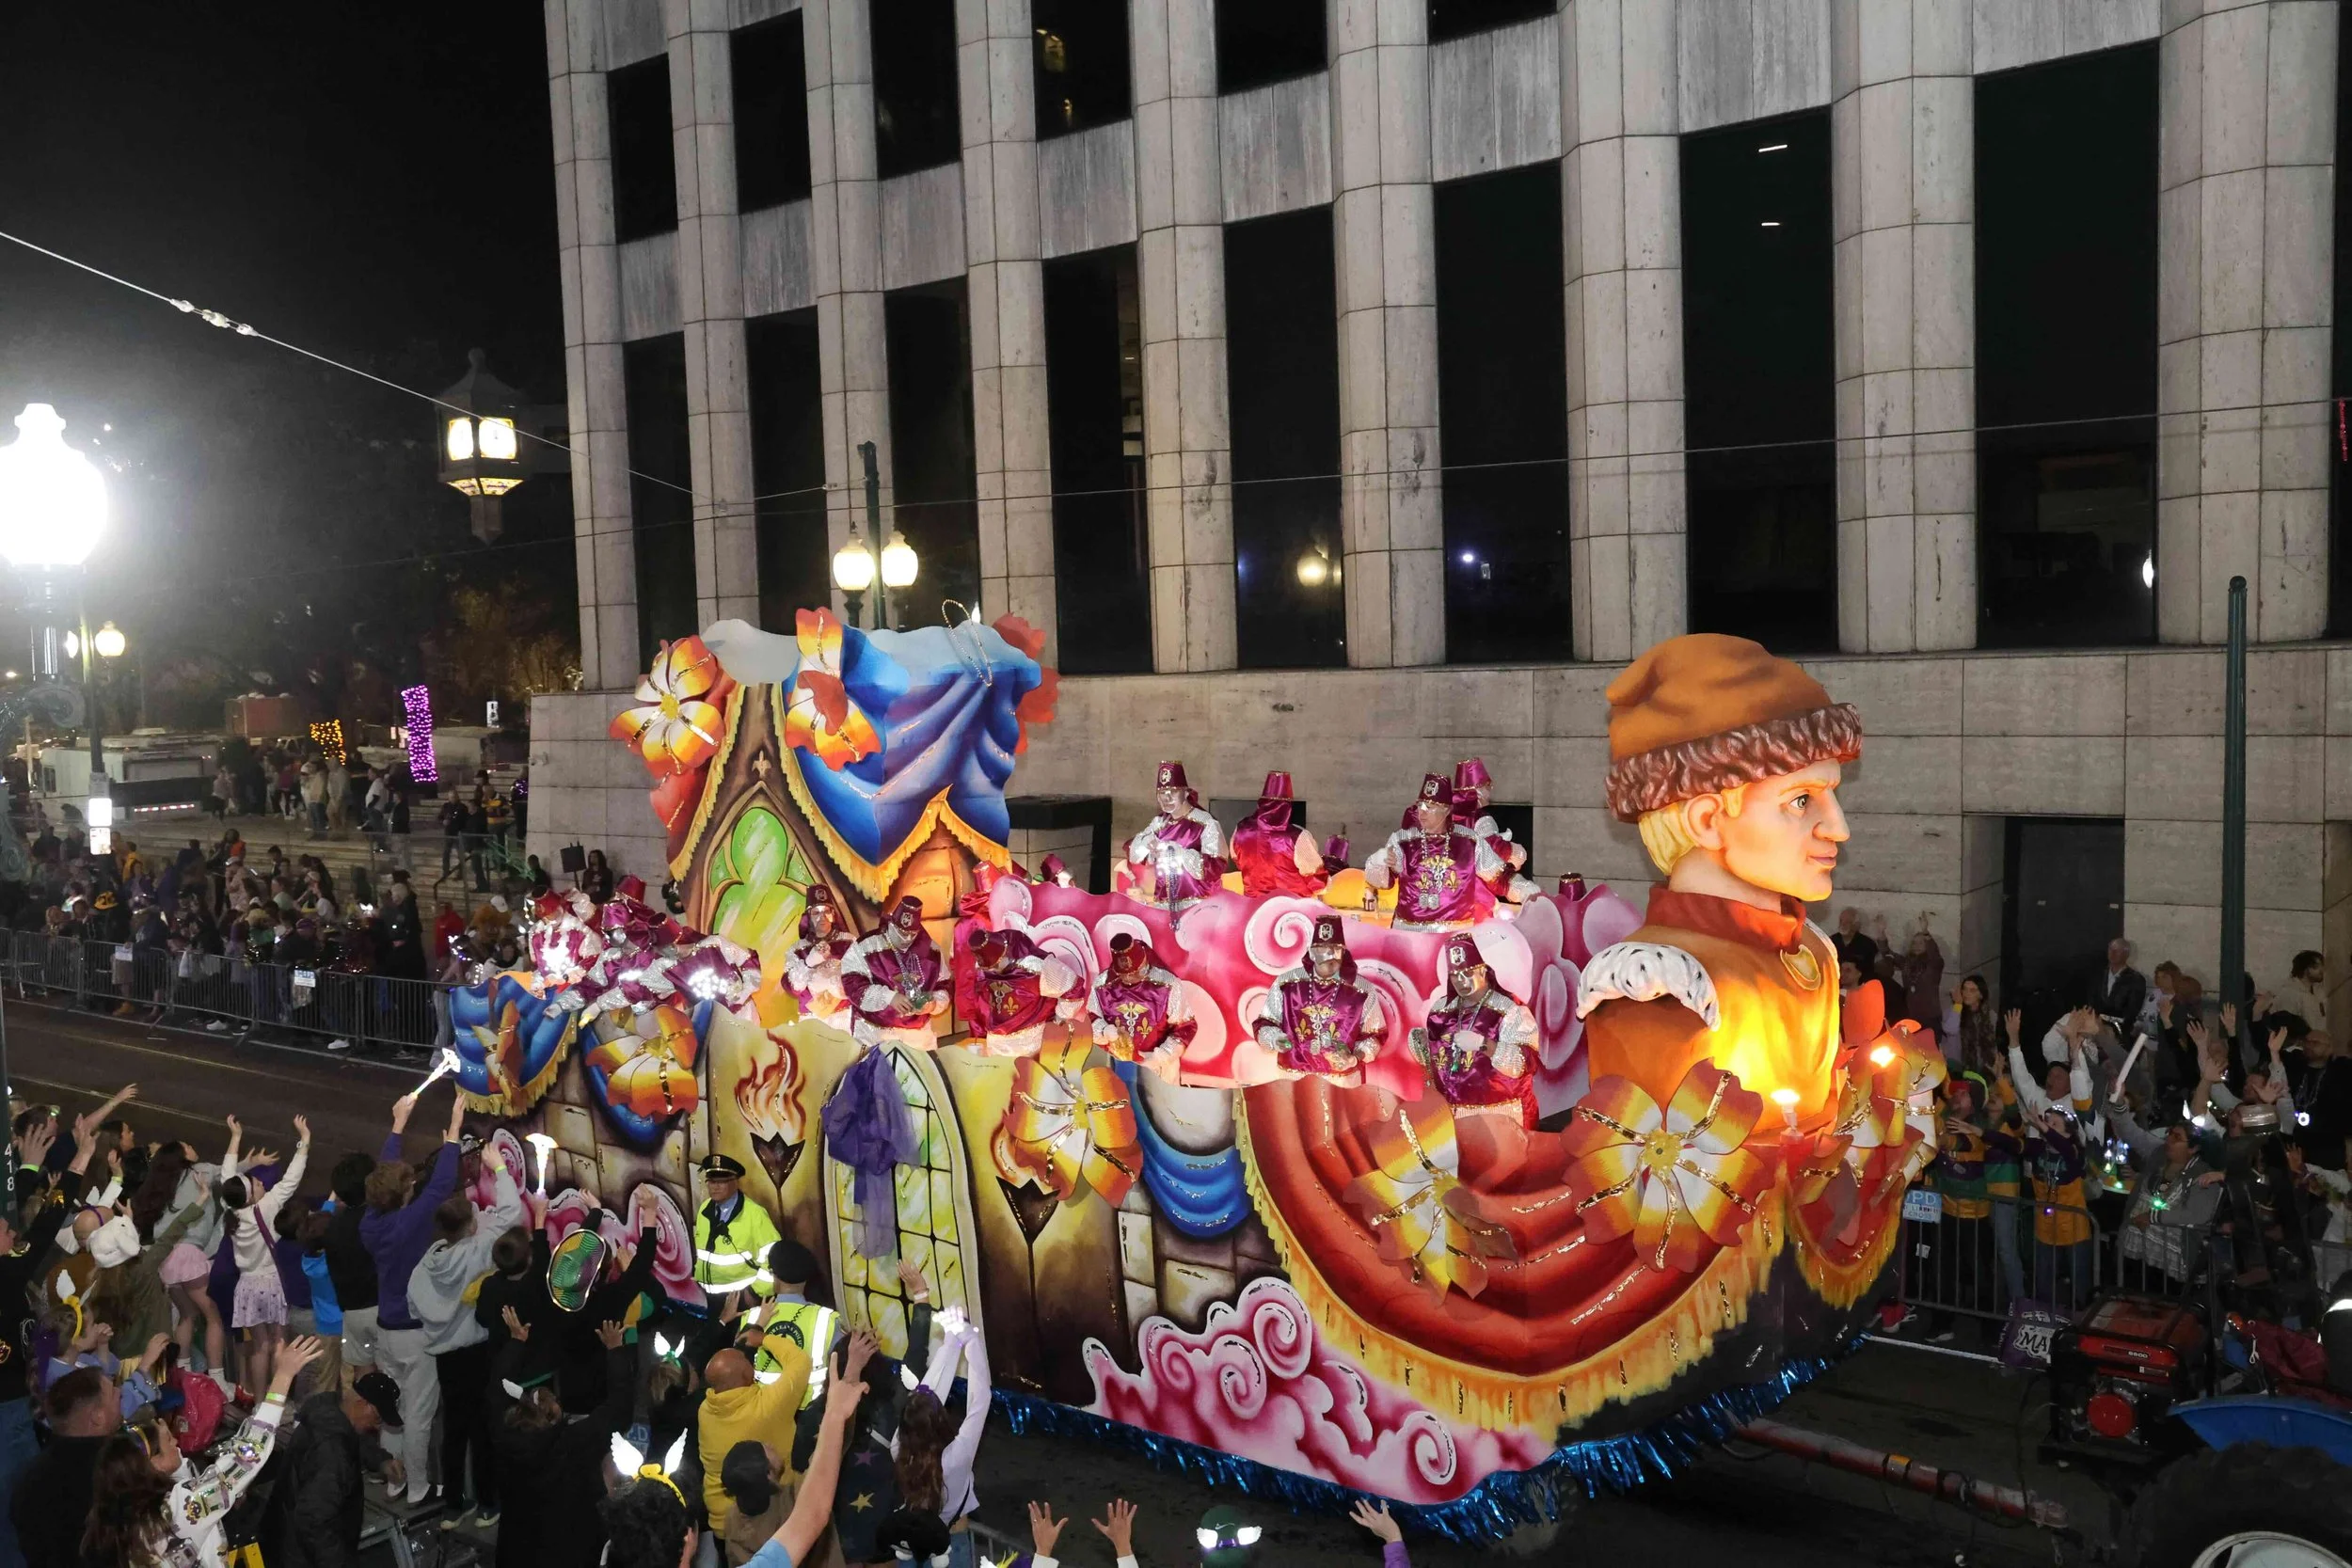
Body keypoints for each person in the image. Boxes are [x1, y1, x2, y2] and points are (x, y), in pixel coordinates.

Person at [1578, 634, 1867, 1291]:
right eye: (1803, 800)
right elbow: (1663, 1219)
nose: (1839, 826)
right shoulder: (1658, 983)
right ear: (1709, 819)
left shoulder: (1808, 952)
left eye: (1831, 795)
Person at [604, 1338, 872, 1568]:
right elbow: (812, 1513)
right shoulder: (762, 1412)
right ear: (689, 1538)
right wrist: (838, 1411)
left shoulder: (705, 1412)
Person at [80, 1336, 324, 1568]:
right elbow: (244, 1457)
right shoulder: (176, 1512)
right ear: (149, 1466)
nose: (176, 1441)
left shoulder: (115, 1521)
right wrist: (283, 1375)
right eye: (167, 1443)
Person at [358, 1090, 467, 1507]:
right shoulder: (410, 1224)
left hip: (387, 1330)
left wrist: (398, 1123)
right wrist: (455, 1128)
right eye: (408, 1183)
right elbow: (441, 1184)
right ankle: (419, 1487)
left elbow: (386, 1174)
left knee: (392, 1409)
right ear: (404, 1195)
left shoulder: (371, 1224)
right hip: (417, 1333)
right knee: (419, 1416)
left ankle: (394, 1478)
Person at [409, 1135, 524, 1530]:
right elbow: (510, 1212)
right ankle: (489, 1503)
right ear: (472, 1225)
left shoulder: (424, 1268)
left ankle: (453, 1506)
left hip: (445, 1358)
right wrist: (501, 1169)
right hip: (478, 1352)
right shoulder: (477, 1253)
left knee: (454, 1430)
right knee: (485, 1428)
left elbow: (414, 1308)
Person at [0, 1125, 97, 1565]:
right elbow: (43, 1228)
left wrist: (28, 1169)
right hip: (8, 1417)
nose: (9, 1231)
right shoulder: (5, 1276)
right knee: (17, 1513)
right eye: (3, 1229)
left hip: (15, 1408)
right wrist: (77, 1163)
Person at [490, 1317, 634, 1568]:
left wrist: (516, 1344)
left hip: (516, 1553)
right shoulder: (573, 1442)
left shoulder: (503, 1441)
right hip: (571, 1554)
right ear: (554, 1415)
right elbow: (619, 1407)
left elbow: (494, 1390)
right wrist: (615, 1349)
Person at [263, 1371, 398, 1568]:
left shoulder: (331, 1412)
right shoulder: (332, 1451)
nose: (377, 1427)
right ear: (362, 1405)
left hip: (288, 1539)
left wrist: (381, 1461)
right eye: (377, 1418)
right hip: (301, 1558)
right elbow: (313, 1520)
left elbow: (353, 1437)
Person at [1363, 774, 1527, 932]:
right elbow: (1381, 881)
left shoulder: (1469, 840)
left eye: (1430, 807)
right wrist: (1379, 861)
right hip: (1409, 935)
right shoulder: (1403, 839)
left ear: (1447, 809)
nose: (1422, 812)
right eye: (1420, 805)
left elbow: (1500, 876)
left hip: (1455, 937)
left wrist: (1527, 891)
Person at [894, 1303, 990, 1568]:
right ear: (941, 1419)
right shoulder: (957, 1456)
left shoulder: (897, 1448)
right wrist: (967, 1338)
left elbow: (927, 1393)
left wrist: (951, 1343)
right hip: (952, 1543)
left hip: (910, 1542)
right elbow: (981, 1398)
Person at [222, 1114, 312, 1395]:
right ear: (250, 1195)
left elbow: (227, 1177)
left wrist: (235, 1139)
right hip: (273, 1283)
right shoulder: (267, 1207)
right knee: (278, 1342)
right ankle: (278, 1398)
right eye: (256, 1184)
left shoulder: (230, 1208)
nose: (261, 1183)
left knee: (259, 1346)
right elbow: (291, 1180)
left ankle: (260, 1400)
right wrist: (304, 1142)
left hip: (247, 1286)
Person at [1407, 934, 1536, 1124]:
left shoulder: (1509, 1009)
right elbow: (1435, 1062)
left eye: (1468, 973)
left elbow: (1523, 1063)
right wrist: (1422, 1048)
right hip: (1452, 1114)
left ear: (1483, 971)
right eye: (1455, 976)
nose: (1461, 982)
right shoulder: (1440, 1010)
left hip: (1500, 1114)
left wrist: (1484, 1044)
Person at [1253, 913, 1386, 1083]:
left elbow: (1375, 1035)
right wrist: (1275, 1039)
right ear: (1312, 953)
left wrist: (1354, 1058)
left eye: (1334, 951)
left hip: (1342, 1082)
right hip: (1293, 1078)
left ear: (1343, 953)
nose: (1328, 958)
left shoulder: (1361, 990)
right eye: (1322, 951)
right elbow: (1265, 1023)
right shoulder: (1287, 984)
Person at [12, 1366, 118, 1568]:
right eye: (113, 1392)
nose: (120, 1394)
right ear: (98, 1417)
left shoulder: (28, 1479)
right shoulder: (111, 1473)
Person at [839, 896, 950, 1052]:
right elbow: (853, 985)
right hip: (875, 1034)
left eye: (912, 934)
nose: (906, 938)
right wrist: (889, 997)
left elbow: (944, 985)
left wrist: (932, 1004)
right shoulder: (867, 946)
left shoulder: (932, 951)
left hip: (918, 1036)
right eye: (901, 932)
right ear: (891, 923)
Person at [954, 926, 1080, 1058]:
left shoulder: (1034, 967)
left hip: (1030, 1040)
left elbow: (1072, 988)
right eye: (989, 968)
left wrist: (1059, 1018)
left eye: (995, 967)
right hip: (996, 1041)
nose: (992, 971)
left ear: (1004, 956)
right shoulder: (983, 968)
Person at [1089, 932, 1195, 1083]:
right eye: (1124, 976)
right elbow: (1091, 1020)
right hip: (1118, 1065)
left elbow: (1184, 1027)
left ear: (1144, 963)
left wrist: (1161, 1056)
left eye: (1134, 973)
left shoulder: (1167, 984)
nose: (1129, 979)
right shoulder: (1102, 985)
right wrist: (1104, 1031)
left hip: (1160, 1068)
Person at [1121, 761, 1225, 910]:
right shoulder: (1159, 823)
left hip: (1198, 904)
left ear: (1186, 793)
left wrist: (1180, 853)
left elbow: (1215, 867)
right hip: (1163, 904)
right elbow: (1133, 853)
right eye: (1162, 793)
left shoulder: (1205, 822)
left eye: (1173, 792)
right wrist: (1146, 844)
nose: (1167, 798)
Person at [321, 1152, 380, 1386]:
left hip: (352, 1314)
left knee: (363, 1374)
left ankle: (366, 1418)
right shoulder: (377, 1220)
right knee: (390, 1371)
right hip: (381, 1309)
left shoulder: (332, 1226)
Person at [693, 1153, 784, 1304]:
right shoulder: (705, 1208)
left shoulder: (754, 1214)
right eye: (711, 1181)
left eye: (721, 1182)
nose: (714, 1187)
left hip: (742, 1300)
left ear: (735, 1182)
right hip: (711, 1297)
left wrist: (754, 1294)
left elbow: (774, 1258)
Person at [1228, 770, 1327, 899]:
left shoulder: (1240, 830)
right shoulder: (1297, 837)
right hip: (1290, 910)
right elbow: (1318, 882)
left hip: (1253, 908)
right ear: (1287, 806)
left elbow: (1238, 861)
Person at [784, 886, 854, 1026]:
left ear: (833, 914)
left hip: (845, 1016)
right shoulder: (797, 949)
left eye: (826, 911)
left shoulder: (849, 941)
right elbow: (794, 988)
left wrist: (836, 983)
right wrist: (808, 962)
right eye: (816, 912)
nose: (822, 917)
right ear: (808, 917)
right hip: (812, 1020)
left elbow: (862, 979)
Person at [2093, 938, 2148, 1036]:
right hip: (2095, 1028)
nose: (2112, 953)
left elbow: (2132, 1011)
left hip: (2120, 1031)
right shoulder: (2098, 975)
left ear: (2126, 954)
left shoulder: (2136, 980)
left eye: (2117, 951)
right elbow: (2092, 1001)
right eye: (2110, 949)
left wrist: (2111, 1025)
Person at [2281, 949, 2329, 1040]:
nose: (2321, 971)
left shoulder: (2318, 993)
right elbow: (2286, 1030)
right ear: (2305, 969)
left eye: (2321, 966)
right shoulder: (2290, 993)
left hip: (2317, 1046)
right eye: (2316, 967)